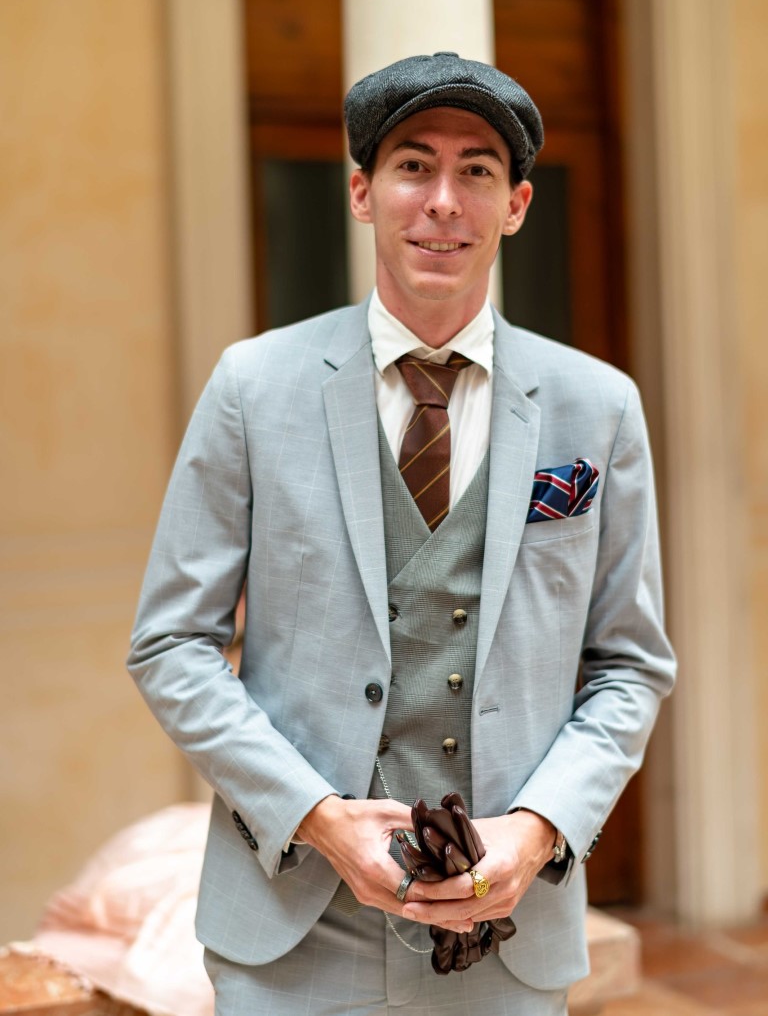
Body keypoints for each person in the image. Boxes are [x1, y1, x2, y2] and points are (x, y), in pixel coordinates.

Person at [128, 52, 676, 1015]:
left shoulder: (598, 406)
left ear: (516, 205)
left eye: (478, 171)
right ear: (361, 193)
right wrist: (316, 818)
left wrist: (540, 828)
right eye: (414, 166)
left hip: (502, 931)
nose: (443, 202)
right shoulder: (253, 387)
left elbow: (630, 666)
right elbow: (170, 643)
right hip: (293, 928)